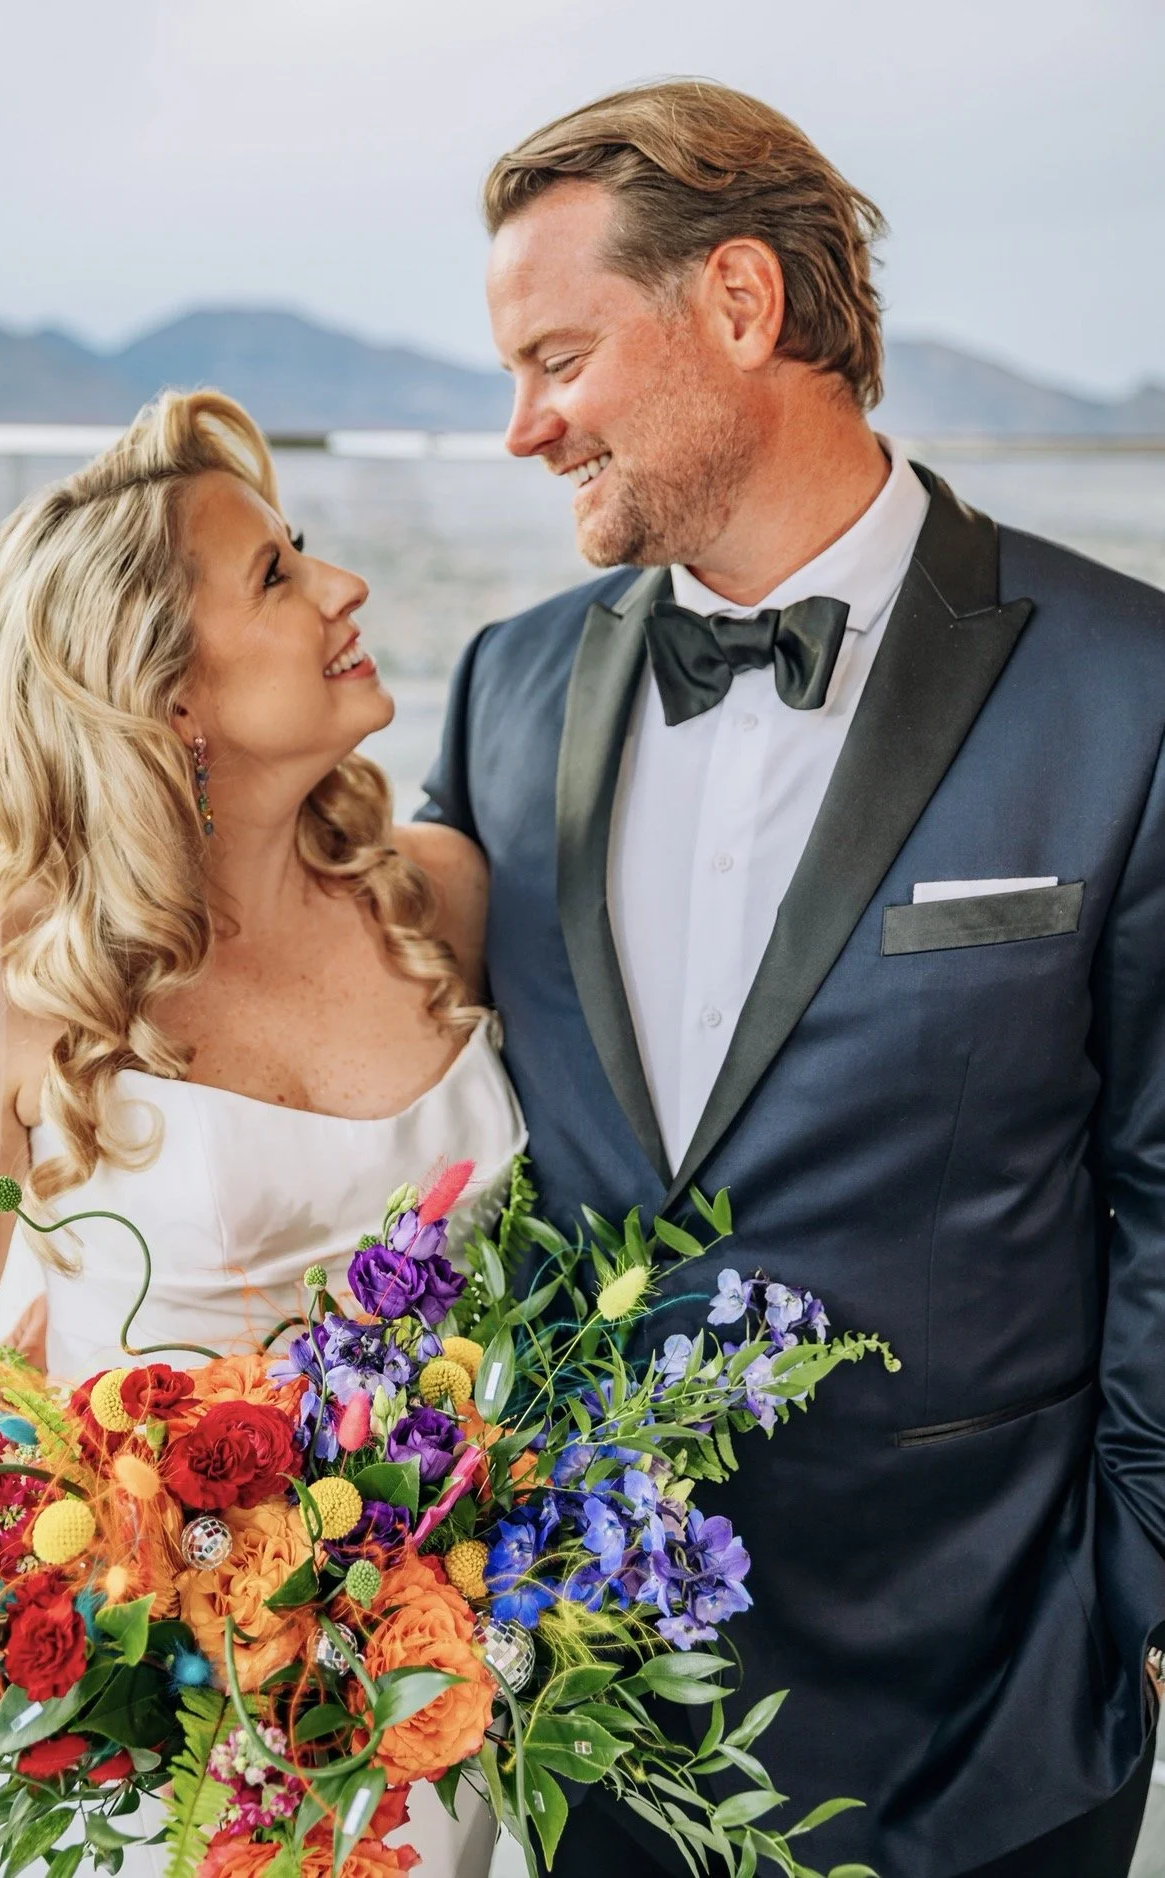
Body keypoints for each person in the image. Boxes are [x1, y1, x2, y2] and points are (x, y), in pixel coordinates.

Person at [418, 78, 1165, 1878]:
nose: (523, 427)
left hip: (989, 1707)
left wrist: (1130, 1603)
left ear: (740, 305)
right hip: (582, 1717)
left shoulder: (1127, 688)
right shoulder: (498, 697)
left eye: (558, 356)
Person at [0, 389, 521, 1876]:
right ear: (169, 695)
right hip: (157, 1754)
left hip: (430, 1712)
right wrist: (111, 1630)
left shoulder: (440, 899)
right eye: (280, 575)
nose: (344, 587)